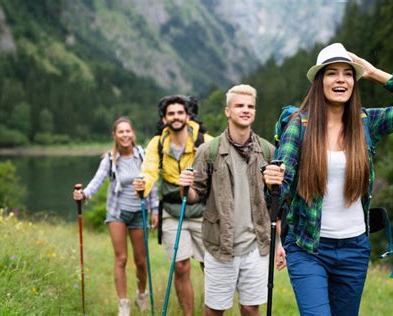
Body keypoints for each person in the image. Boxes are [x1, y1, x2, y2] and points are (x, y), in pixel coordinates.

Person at [276, 43, 393, 315]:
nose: (340, 79)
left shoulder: (367, 123)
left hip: (355, 250)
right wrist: (272, 180)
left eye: (348, 74)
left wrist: (374, 72)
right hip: (308, 247)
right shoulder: (299, 125)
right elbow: (280, 180)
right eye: (331, 73)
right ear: (319, 82)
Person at [178, 84, 286, 316]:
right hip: (220, 246)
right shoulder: (209, 151)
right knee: (215, 310)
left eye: (250, 106)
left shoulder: (268, 151)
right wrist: (184, 188)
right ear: (228, 111)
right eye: (239, 105)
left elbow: (276, 203)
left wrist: (279, 244)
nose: (245, 110)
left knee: (250, 309)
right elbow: (195, 195)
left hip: (256, 245)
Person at [134, 95, 212, 316]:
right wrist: (143, 185)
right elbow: (149, 170)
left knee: (210, 266)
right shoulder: (157, 143)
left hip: (201, 211)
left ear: (188, 116)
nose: (176, 117)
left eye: (180, 113)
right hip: (171, 211)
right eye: (171, 114)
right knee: (180, 266)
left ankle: (213, 311)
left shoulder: (205, 140)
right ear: (164, 118)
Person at [73, 117, 159, 316]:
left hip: (140, 212)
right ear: (114, 135)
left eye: (128, 131)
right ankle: (123, 305)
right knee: (121, 258)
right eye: (120, 132)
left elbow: (152, 183)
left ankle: (141, 294)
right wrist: (83, 194)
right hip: (117, 213)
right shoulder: (110, 160)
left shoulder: (143, 156)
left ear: (133, 133)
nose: (125, 135)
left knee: (141, 261)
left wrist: (155, 209)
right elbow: (97, 182)